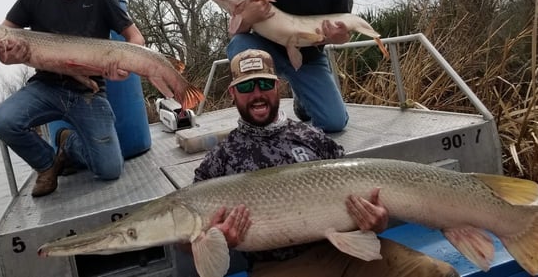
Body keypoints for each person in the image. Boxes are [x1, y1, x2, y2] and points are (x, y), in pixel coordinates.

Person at [182, 49, 459, 277]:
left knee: (436, 273)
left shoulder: (311, 136)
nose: (257, 94)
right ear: (233, 93)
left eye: (265, 83)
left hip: (344, 250)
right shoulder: (219, 160)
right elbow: (184, 237)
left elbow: (359, 196)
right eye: (246, 86)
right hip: (280, 267)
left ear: (278, 87)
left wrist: (377, 221)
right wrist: (218, 238)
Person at [0, 0, 145, 197]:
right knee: (2, 122)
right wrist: (8, 54)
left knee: (110, 170)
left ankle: (67, 143)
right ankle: (47, 163)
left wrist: (122, 63)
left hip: (89, 92)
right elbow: (2, 41)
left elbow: (136, 38)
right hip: (46, 87)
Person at [226, 0, 352, 133]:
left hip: (309, 59)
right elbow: (235, 35)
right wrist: (248, 17)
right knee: (240, 43)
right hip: (269, 56)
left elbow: (344, 33)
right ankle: (259, 118)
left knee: (334, 123)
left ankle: (302, 100)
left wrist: (340, 37)